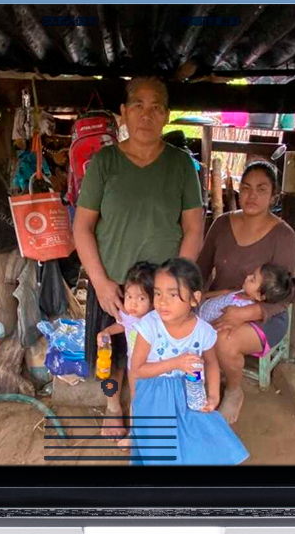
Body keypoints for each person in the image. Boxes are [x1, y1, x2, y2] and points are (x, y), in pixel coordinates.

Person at [73, 77, 206, 439]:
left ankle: (147, 411)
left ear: (166, 115)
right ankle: (113, 408)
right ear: (123, 113)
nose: (146, 114)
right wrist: (99, 283)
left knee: (160, 355)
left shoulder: (181, 165)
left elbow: (194, 226)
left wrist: (177, 283)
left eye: (156, 107)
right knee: (111, 357)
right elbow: (82, 227)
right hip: (114, 284)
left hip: (163, 288)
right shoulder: (105, 163)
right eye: (138, 105)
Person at [195, 160, 295, 424]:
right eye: (247, 187)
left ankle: (233, 390)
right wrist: (191, 296)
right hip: (222, 304)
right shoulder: (221, 224)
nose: (252, 195)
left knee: (225, 340)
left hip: (266, 314)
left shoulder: (284, 236)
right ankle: (208, 380)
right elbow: (201, 269)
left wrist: (247, 313)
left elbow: (285, 296)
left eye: (262, 189)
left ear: (274, 196)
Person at [127, 258, 249, 465]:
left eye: (173, 294)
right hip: (154, 395)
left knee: (200, 435)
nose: (162, 301)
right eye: (157, 293)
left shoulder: (203, 330)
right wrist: (175, 363)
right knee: (160, 449)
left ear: (194, 298)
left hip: (189, 392)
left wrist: (213, 395)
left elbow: (211, 362)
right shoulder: (149, 326)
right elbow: (137, 370)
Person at [94, 261, 157, 449]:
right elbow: (123, 324)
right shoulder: (128, 314)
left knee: (155, 401)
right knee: (136, 400)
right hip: (134, 368)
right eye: (129, 296)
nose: (132, 303)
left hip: (156, 369)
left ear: (154, 300)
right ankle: (135, 434)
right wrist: (106, 332)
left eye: (141, 298)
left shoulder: (157, 319)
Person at [198, 263, 295, 329]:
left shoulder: (240, 307)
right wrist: (204, 295)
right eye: (252, 274)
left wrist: (202, 330)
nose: (248, 276)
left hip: (201, 323)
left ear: (259, 296)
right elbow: (226, 292)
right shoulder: (242, 292)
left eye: (253, 279)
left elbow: (220, 323)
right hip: (200, 308)